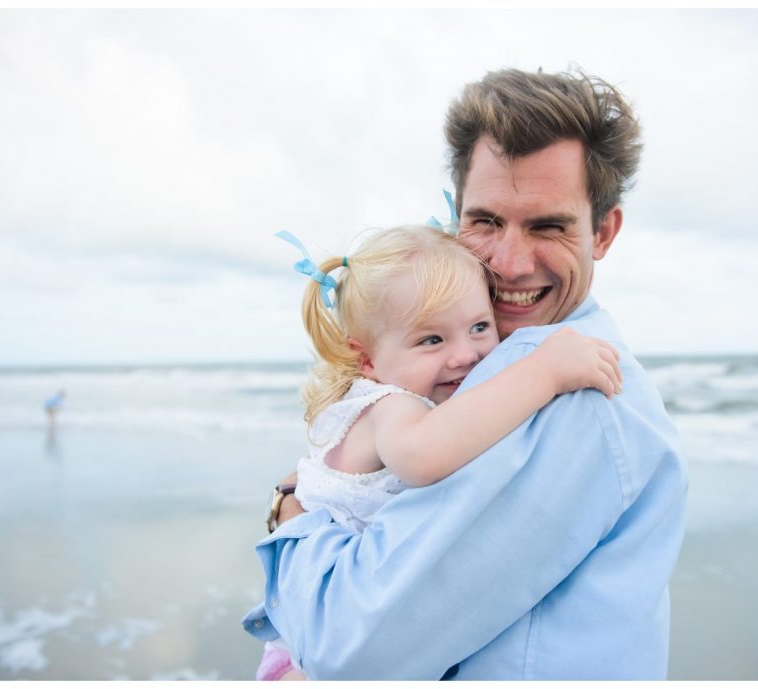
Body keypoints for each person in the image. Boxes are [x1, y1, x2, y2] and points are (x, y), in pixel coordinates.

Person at [243, 67, 688, 680]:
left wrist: (292, 511)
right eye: (485, 221)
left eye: (548, 226)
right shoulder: (491, 366)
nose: (507, 263)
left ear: (603, 232)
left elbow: (349, 647)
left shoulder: (572, 391)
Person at [255, 225, 623, 680]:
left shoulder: (384, 399)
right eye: (431, 340)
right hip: (301, 660)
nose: (465, 354)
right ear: (366, 358)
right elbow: (423, 456)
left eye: (480, 327)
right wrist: (544, 373)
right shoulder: (391, 406)